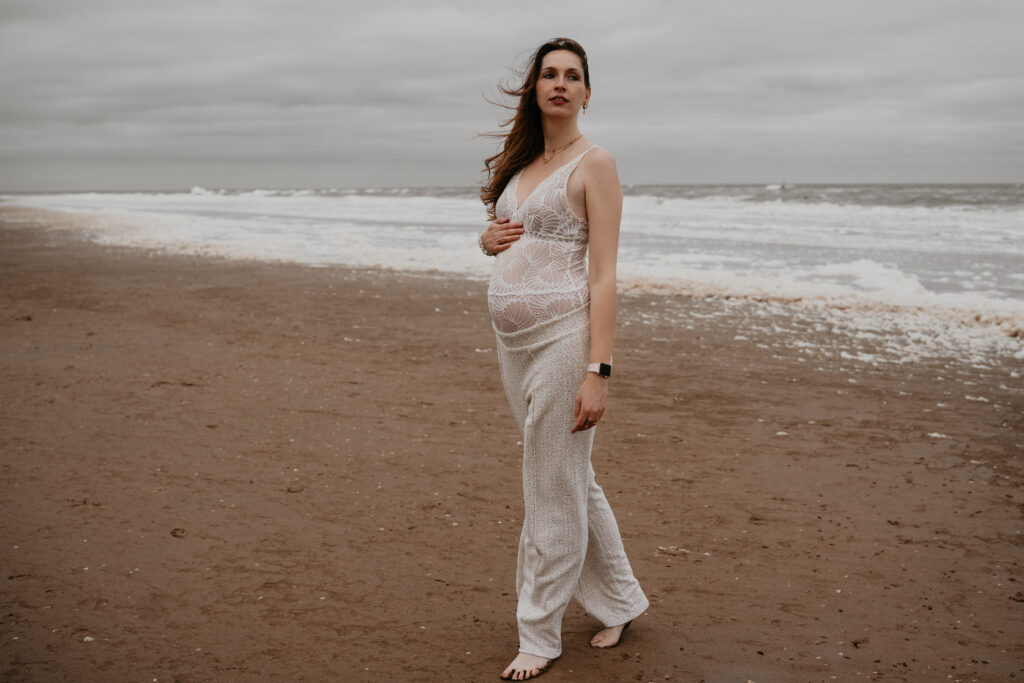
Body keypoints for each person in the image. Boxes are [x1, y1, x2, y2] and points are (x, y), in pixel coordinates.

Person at [478, 37, 649, 681]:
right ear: (535, 87)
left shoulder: (595, 162)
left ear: (585, 92)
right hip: (512, 345)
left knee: (548, 481)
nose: (559, 83)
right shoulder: (523, 163)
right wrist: (487, 237)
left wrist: (597, 372)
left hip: (564, 337)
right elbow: (505, 236)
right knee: (570, 473)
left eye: (572, 75)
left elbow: (603, 276)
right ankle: (623, 599)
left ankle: (538, 633)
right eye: (548, 73)